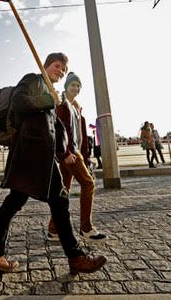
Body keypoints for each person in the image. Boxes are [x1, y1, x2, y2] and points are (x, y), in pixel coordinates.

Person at [0, 52, 107, 275]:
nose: (60, 71)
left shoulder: (52, 93)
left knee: (26, 202)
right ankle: (76, 257)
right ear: (46, 65)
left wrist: (63, 152)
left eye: (63, 70)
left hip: (42, 156)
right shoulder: (33, 79)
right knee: (52, 201)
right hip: (30, 154)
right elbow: (19, 103)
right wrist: (49, 99)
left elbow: (55, 127)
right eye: (57, 66)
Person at [47, 72, 106, 242]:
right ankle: (86, 228)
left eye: (78, 85)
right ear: (66, 87)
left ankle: (53, 229)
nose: (76, 88)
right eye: (73, 85)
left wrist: (86, 158)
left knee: (62, 192)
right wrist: (64, 154)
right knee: (88, 184)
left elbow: (81, 136)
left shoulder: (77, 108)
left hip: (76, 153)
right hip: (70, 154)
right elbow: (58, 130)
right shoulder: (61, 105)